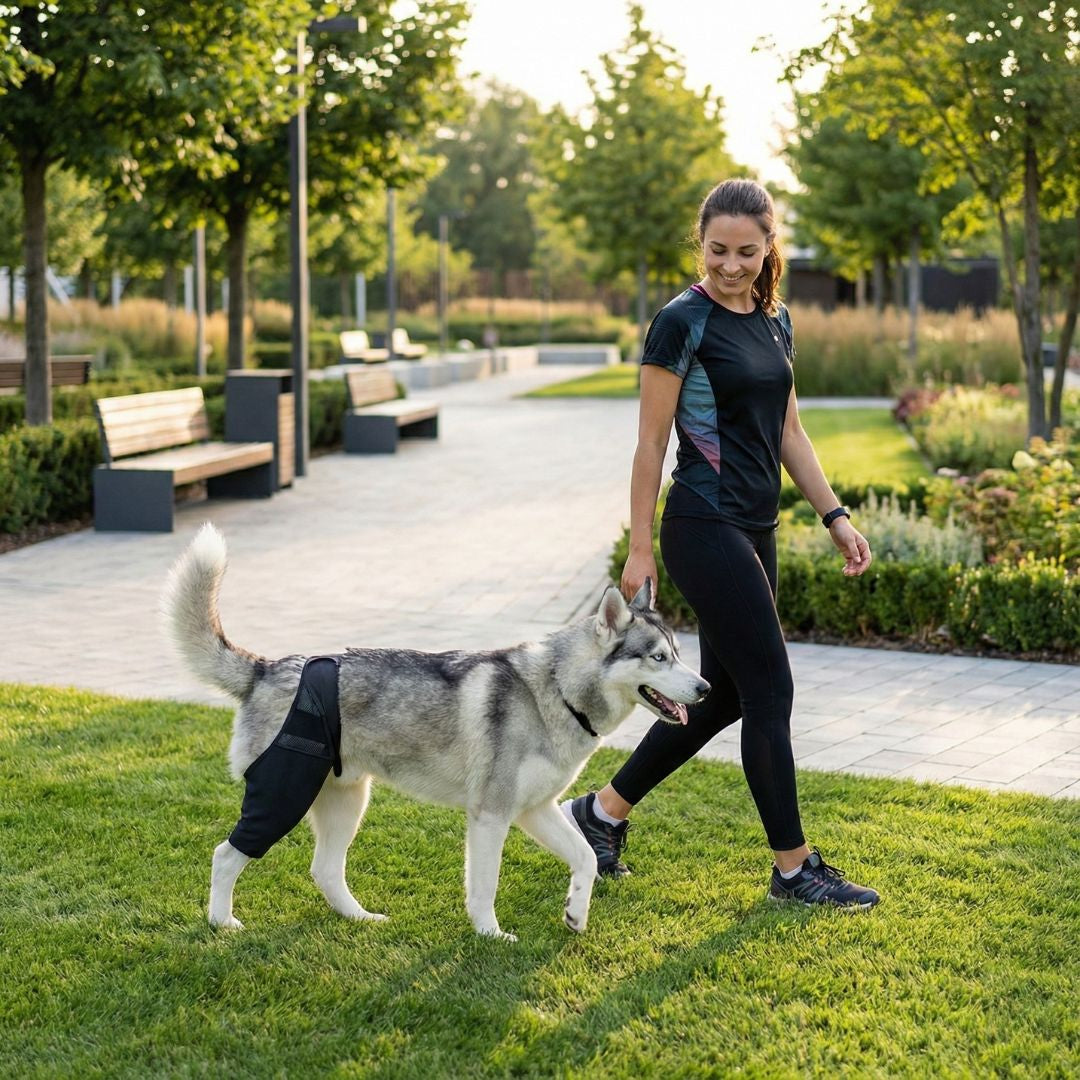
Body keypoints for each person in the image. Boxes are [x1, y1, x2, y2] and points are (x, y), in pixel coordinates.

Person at [561, 178, 880, 909]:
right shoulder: (681, 322)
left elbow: (789, 431)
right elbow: (650, 443)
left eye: (745, 252)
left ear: (769, 248)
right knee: (771, 689)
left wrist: (835, 516)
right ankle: (794, 870)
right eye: (716, 250)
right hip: (703, 525)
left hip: (756, 527)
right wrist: (640, 548)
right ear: (700, 243)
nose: (730, 266)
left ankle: (600, 815)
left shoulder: (776, 321)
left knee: (727, 694)